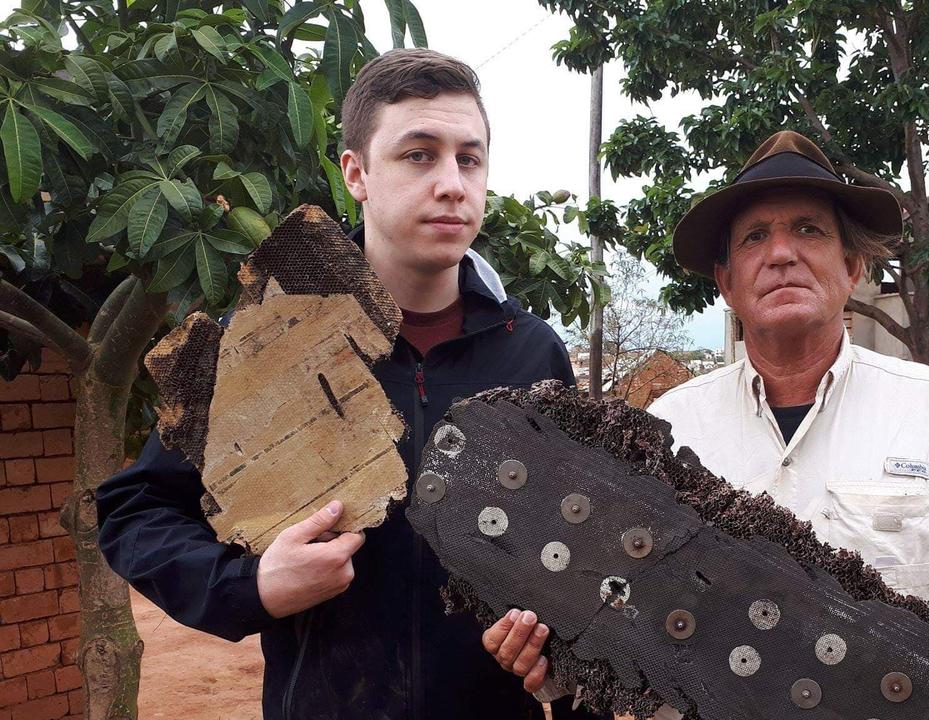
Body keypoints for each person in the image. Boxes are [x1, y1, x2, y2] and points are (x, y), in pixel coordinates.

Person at [485, 131, 929, 720]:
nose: (783, 253)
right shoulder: (664, 431)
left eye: (809, 230)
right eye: (755, 238)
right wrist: (548, 654)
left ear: (853, 268)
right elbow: (611, 607)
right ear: (727, 284)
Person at [97, 48, 599, 720]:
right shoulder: (270, 339)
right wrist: (254, 585)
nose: (452, 183)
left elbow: (579, 555)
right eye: (419, 155)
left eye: (469, 158)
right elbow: (136, 510)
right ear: (355, 173)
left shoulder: (533, 352)